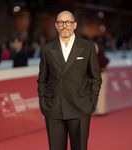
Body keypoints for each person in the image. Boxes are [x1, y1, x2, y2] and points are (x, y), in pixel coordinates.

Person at [37, 11, 102, 150]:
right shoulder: (47, 49)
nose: (64, 26)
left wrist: (92, 102)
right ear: (56, 26)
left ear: (74, 25)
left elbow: (96, 78)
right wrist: (43, 102)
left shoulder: (87, 47)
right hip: (54, 109)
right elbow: (42, 79)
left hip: (80, 108)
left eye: (68, 22)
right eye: (60, 22)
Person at [94, 42, 109, 115]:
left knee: (101, 93)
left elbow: (106, 61)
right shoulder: (94, 56)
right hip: (98, 75)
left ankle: (101, 111)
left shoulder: (100, 56)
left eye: (96, 47)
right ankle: (103, 109)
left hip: (102, 75)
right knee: (99, 93)